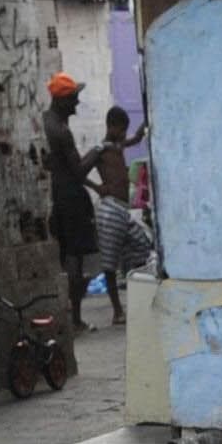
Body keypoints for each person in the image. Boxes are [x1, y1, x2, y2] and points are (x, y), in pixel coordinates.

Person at [87, 105, 155, 326]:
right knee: (109, 262)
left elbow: (136, 138)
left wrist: (147, 115)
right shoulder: (100, 149)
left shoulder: (117, 146)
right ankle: (117, 311)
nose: (125, 134)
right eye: (122, 130)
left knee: (142, 245)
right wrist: (97, 188)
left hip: (122, 209)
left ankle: (136, 299)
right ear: (111, 126)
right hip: (109, 209)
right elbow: (79, 169)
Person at [44, 73, 100, 328]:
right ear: (63, 100)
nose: (77, 104)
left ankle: (72, 318)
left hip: (60, 197)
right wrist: (99, 150)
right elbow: (78, 171)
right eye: (74, 99)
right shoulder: (60, 131)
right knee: (77, 262)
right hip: (69, 200)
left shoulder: (48, 123)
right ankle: (75, 318)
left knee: (69, 258)